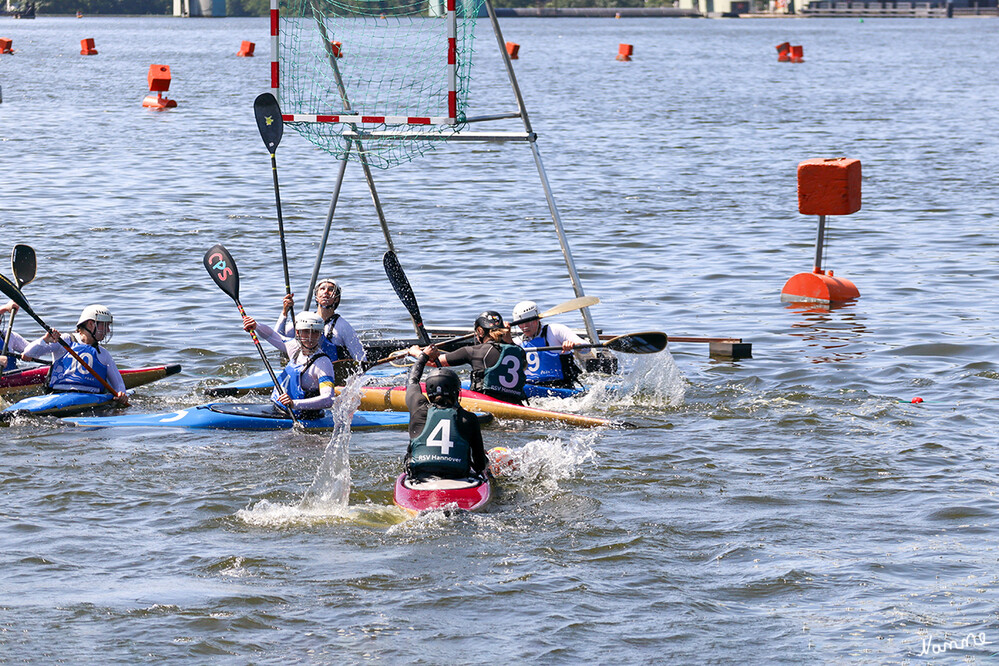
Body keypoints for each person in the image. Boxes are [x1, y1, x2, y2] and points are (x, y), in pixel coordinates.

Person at [404, 350, 487, 482]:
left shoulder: (418, 408)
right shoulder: (469, 418)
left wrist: (424, 356)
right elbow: (479, 465)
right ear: (455, 393)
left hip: (420, 475)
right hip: (458, 477)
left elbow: (412, 381)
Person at [21, 304, 128, 405]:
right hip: (58, 396)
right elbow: (28, 353)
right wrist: (45, 339)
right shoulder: (65, 341)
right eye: (105, 325)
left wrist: (121, 395)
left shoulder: (104, 354)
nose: (108, 330)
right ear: (91, 324)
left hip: (89, 400)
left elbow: (119, 385)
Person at [415, 310, 527, 405]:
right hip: (515, 403)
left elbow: (434, 362)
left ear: (480, 331)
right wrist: (509, 341)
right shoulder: (519, 352)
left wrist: (417, 353)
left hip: (487, 403)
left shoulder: (473, 351)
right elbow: (524, 367)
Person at [242, 310, 336, 417]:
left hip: (303, 416)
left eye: (315, 332)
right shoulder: (295, 348)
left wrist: (294, 404)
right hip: (279, 408)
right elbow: (271, 335)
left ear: (320, 334)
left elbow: (328, 399)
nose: (310, 337)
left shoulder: (323, 363)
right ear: (297, 333)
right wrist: (256, 326)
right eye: (306, 331)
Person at [275, 278, 366, 381]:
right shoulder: (304, 319)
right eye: (322, 289)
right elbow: (278, 336)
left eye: (331, 289)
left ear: (336, 298)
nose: (326, 292)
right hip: (305, 371)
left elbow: (361, 359)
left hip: (329, 375)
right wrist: (284, 312)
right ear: (317, 297)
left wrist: (355, 382)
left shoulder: (343, 326)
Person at [511, 300, 595, 389]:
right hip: (531, 386)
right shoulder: (518, 341)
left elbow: (587, 347)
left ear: (538, 319)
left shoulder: (555, 331)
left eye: (527, 322)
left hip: (561, 387)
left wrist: (575, 345)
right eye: (520, 324)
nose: (524, 327)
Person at [1, 300, 32, 372]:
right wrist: (5, 308)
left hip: (13, 379)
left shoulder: (9, 336)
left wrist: (46, 340)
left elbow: (33, 351)